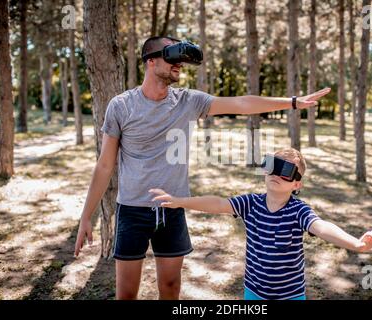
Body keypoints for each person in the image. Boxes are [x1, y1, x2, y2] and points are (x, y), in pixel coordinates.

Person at [73, 35, 331, 300]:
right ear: (151, 61)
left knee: (171, 287)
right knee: (126, 294)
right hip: (132, 210)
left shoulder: (189, 101)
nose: (179, 64)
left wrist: (291, 102)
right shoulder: (121, 105)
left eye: (182, 60)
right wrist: (86, 216)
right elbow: (105, 165)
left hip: (172, 209)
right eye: (172, 57)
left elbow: (241, 103)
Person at [150, 148, 372, 300]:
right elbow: (218, 203)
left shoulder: (299, 211)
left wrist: (357, 244)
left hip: (291, 294)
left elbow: (321, 227)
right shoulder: (251, 203)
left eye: (286, 172)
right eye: (272, 165)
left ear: (297, 184)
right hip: (253, 291)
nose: (276, 173)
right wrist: (180, 201)